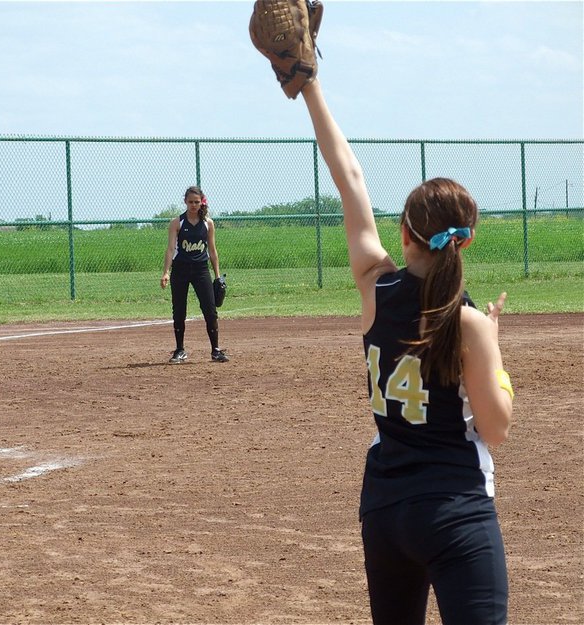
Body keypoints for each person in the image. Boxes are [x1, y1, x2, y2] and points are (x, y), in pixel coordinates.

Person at [250, 2, 514, 623]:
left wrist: (311, 86)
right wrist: (495, 353)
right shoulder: (469, 322)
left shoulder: (376, 287)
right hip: (454, 511)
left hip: (385, 511)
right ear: (466, 240)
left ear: (404, 234)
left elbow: (350, 179)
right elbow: (497, 426)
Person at [160, 186, 228, 363]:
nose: (193, 205)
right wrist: (166, 272)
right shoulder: (177, 223)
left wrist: (218, 276)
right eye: (190, 202)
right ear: (185, 202)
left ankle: (215, 350)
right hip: (180, 269)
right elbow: (170, 249)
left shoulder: (208, 223)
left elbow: (212, 251)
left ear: (201, 202)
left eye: (196, 202)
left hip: (200, 270)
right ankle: (180, 350)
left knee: (210, 310)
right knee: (179, 310)